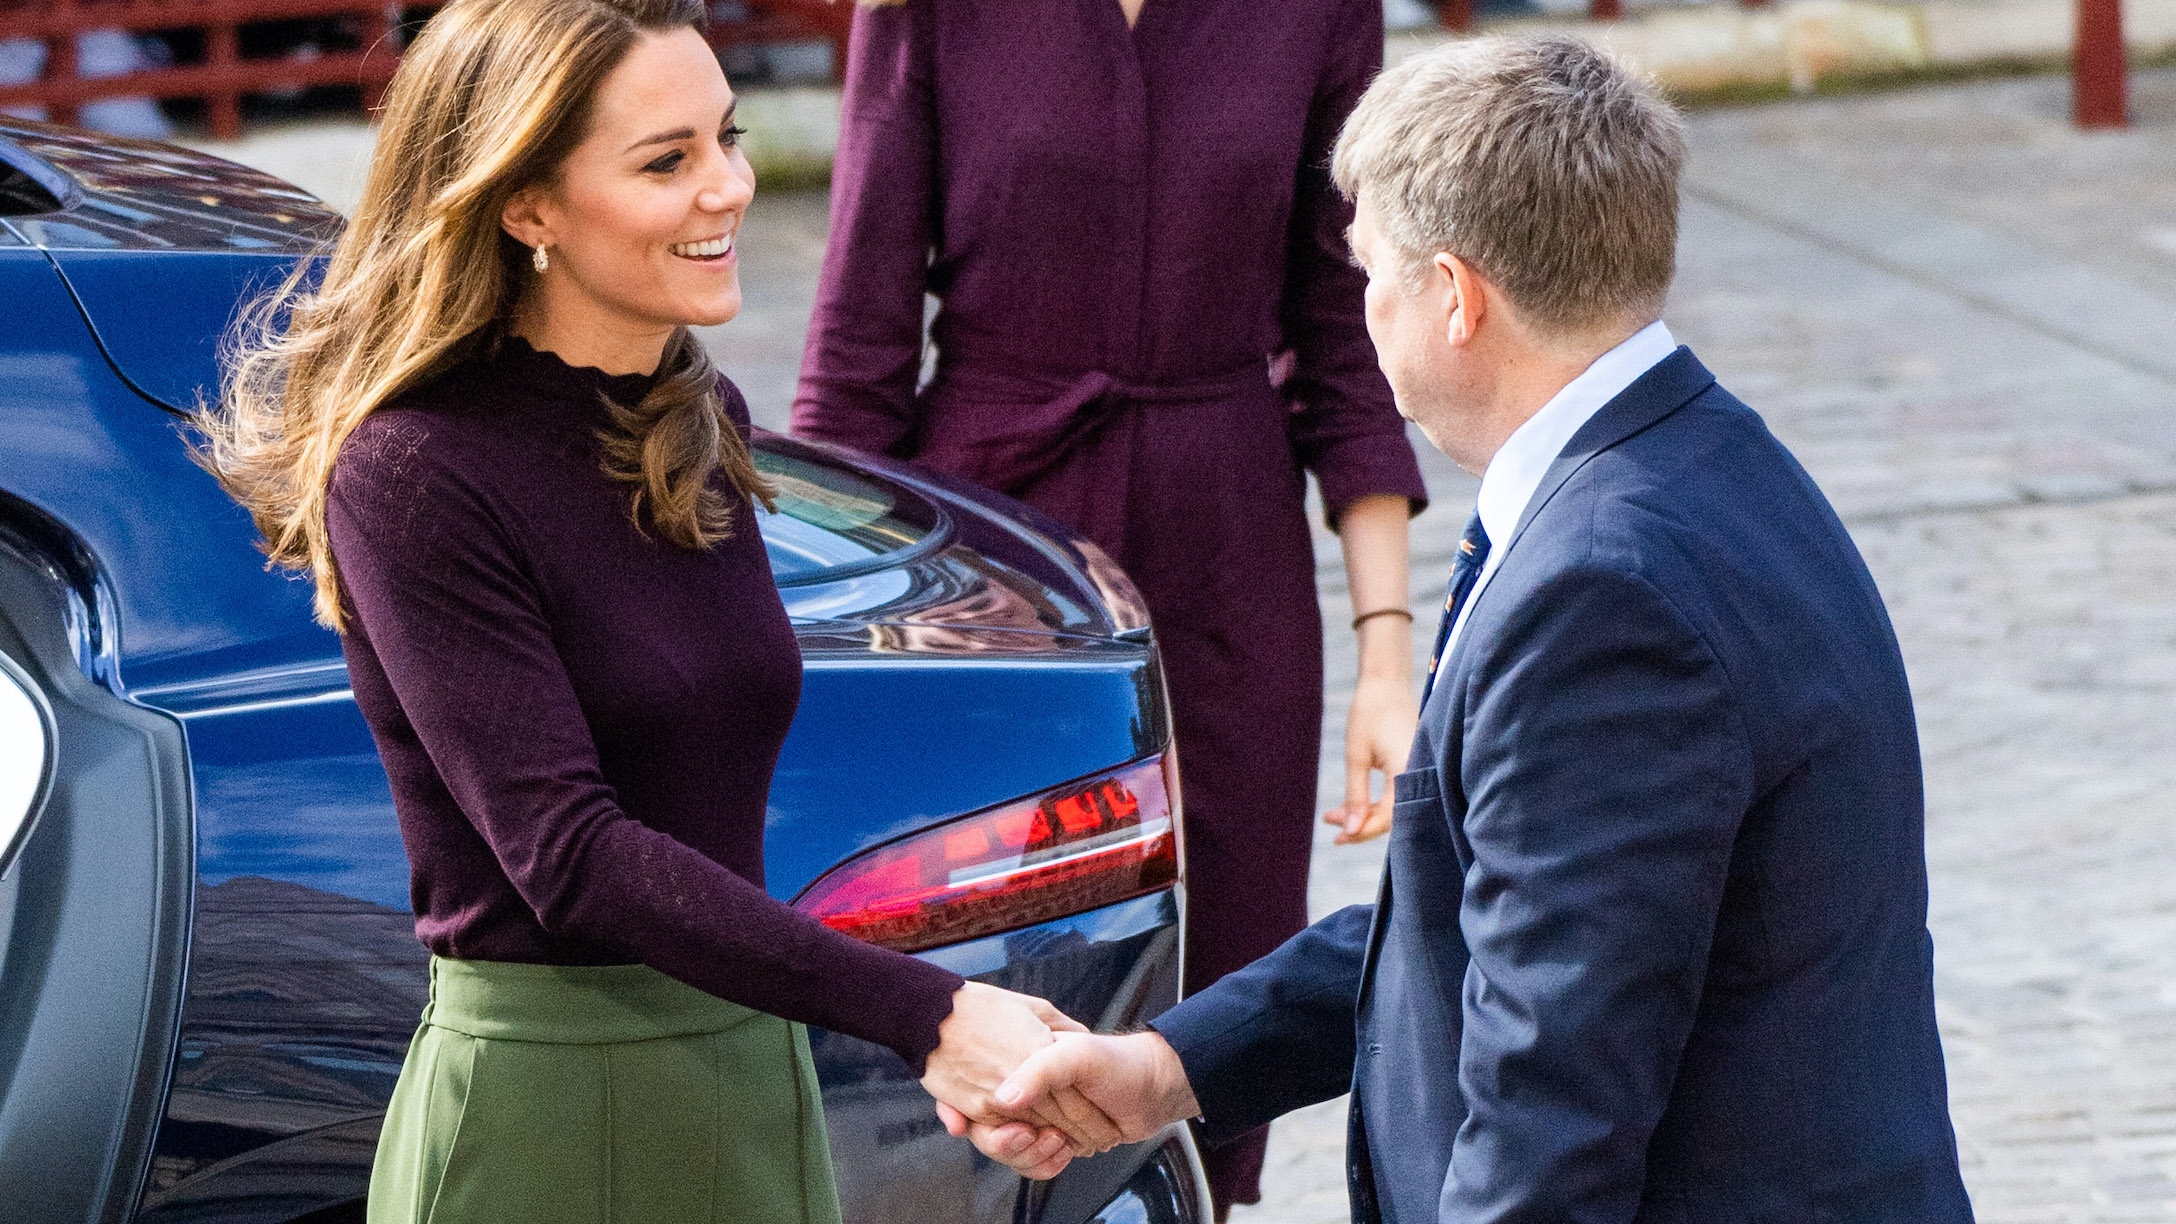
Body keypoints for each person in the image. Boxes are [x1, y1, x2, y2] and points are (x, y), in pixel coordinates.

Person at [949, 35, 1979, 1223]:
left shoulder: (1603, 591)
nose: (1363, 307)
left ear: (1454, 295)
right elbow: (1485, 920)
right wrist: (1173, 1067)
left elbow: (1557, 1095)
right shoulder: (1706, 461)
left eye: (1370, 273)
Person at [196, 2, 1091, 1219]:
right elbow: (567, 854)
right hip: (552, 1106)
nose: (727, 188)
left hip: (746, 1062)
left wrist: (938, 1035)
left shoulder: (686, 408)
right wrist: (928, 1015)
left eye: (724, 138)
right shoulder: (414, 472)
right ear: (528, 205)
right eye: (665, 161)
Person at [791, 2, 1429, 1209]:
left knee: (1222, 967)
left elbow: (1346, 333)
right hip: (989, 571)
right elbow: (857, 348)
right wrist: (822, 658)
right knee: (992, 967)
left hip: (1232, 553)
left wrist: (1387, 656)